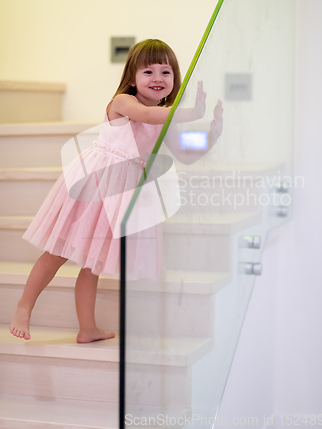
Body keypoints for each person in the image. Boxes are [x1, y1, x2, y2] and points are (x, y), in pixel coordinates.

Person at [9, 39, 223, 343]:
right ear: (132, 79)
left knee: (91, 264)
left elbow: (187, 153)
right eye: (148, 72)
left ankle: (88, 328)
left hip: (122, 196)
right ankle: (24, 306)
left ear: (175, 79)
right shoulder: (123, 102)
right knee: (57, 252)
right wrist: (191, 112)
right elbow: (147, 116)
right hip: (96, 185)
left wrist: (212, 133)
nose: (158, 78)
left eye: (166, 72)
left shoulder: (165, 119)